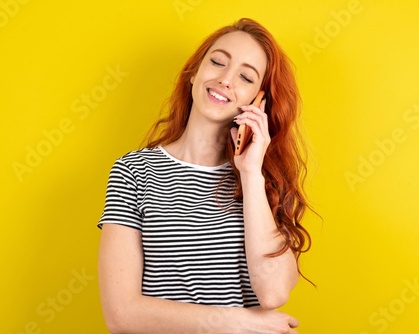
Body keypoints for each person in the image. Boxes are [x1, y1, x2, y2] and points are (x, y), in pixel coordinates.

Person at [97, 18, 313, 334]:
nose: (226, 80)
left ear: (259, 100)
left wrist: (251, 173)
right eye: (217, 62)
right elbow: (121, 314)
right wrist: (234, 322)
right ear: (194, 73)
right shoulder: (134, 171)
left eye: (245, 76)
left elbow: (273, 292)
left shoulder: (263, 182)